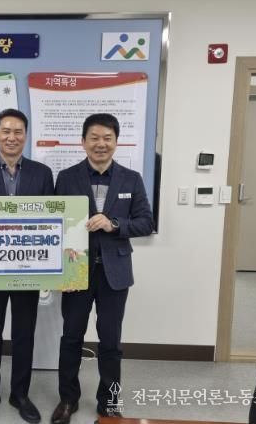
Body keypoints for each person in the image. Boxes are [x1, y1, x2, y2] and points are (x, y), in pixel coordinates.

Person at [50, 113, 154, 424]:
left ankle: (109, 402)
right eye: (94, 138)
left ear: (116, 142)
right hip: (76, 271)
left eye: (107, 138)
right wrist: (56, 270)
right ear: (83, 142)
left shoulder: (131, 179)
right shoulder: (66, 177)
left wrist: (114, 224)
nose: (101, 144)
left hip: (115, 273)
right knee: (71, 337)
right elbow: (55, 223)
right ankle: (68, 399)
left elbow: (146, 222)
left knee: (110, 342)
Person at [0, 109, 54, 424]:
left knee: (24, 333)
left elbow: (50, 222)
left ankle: (20, 393)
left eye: (18, 132)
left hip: (28, 268)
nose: (12, 137)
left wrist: (49, 271)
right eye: (6, 131)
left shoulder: (42, 174)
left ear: (25, 136)